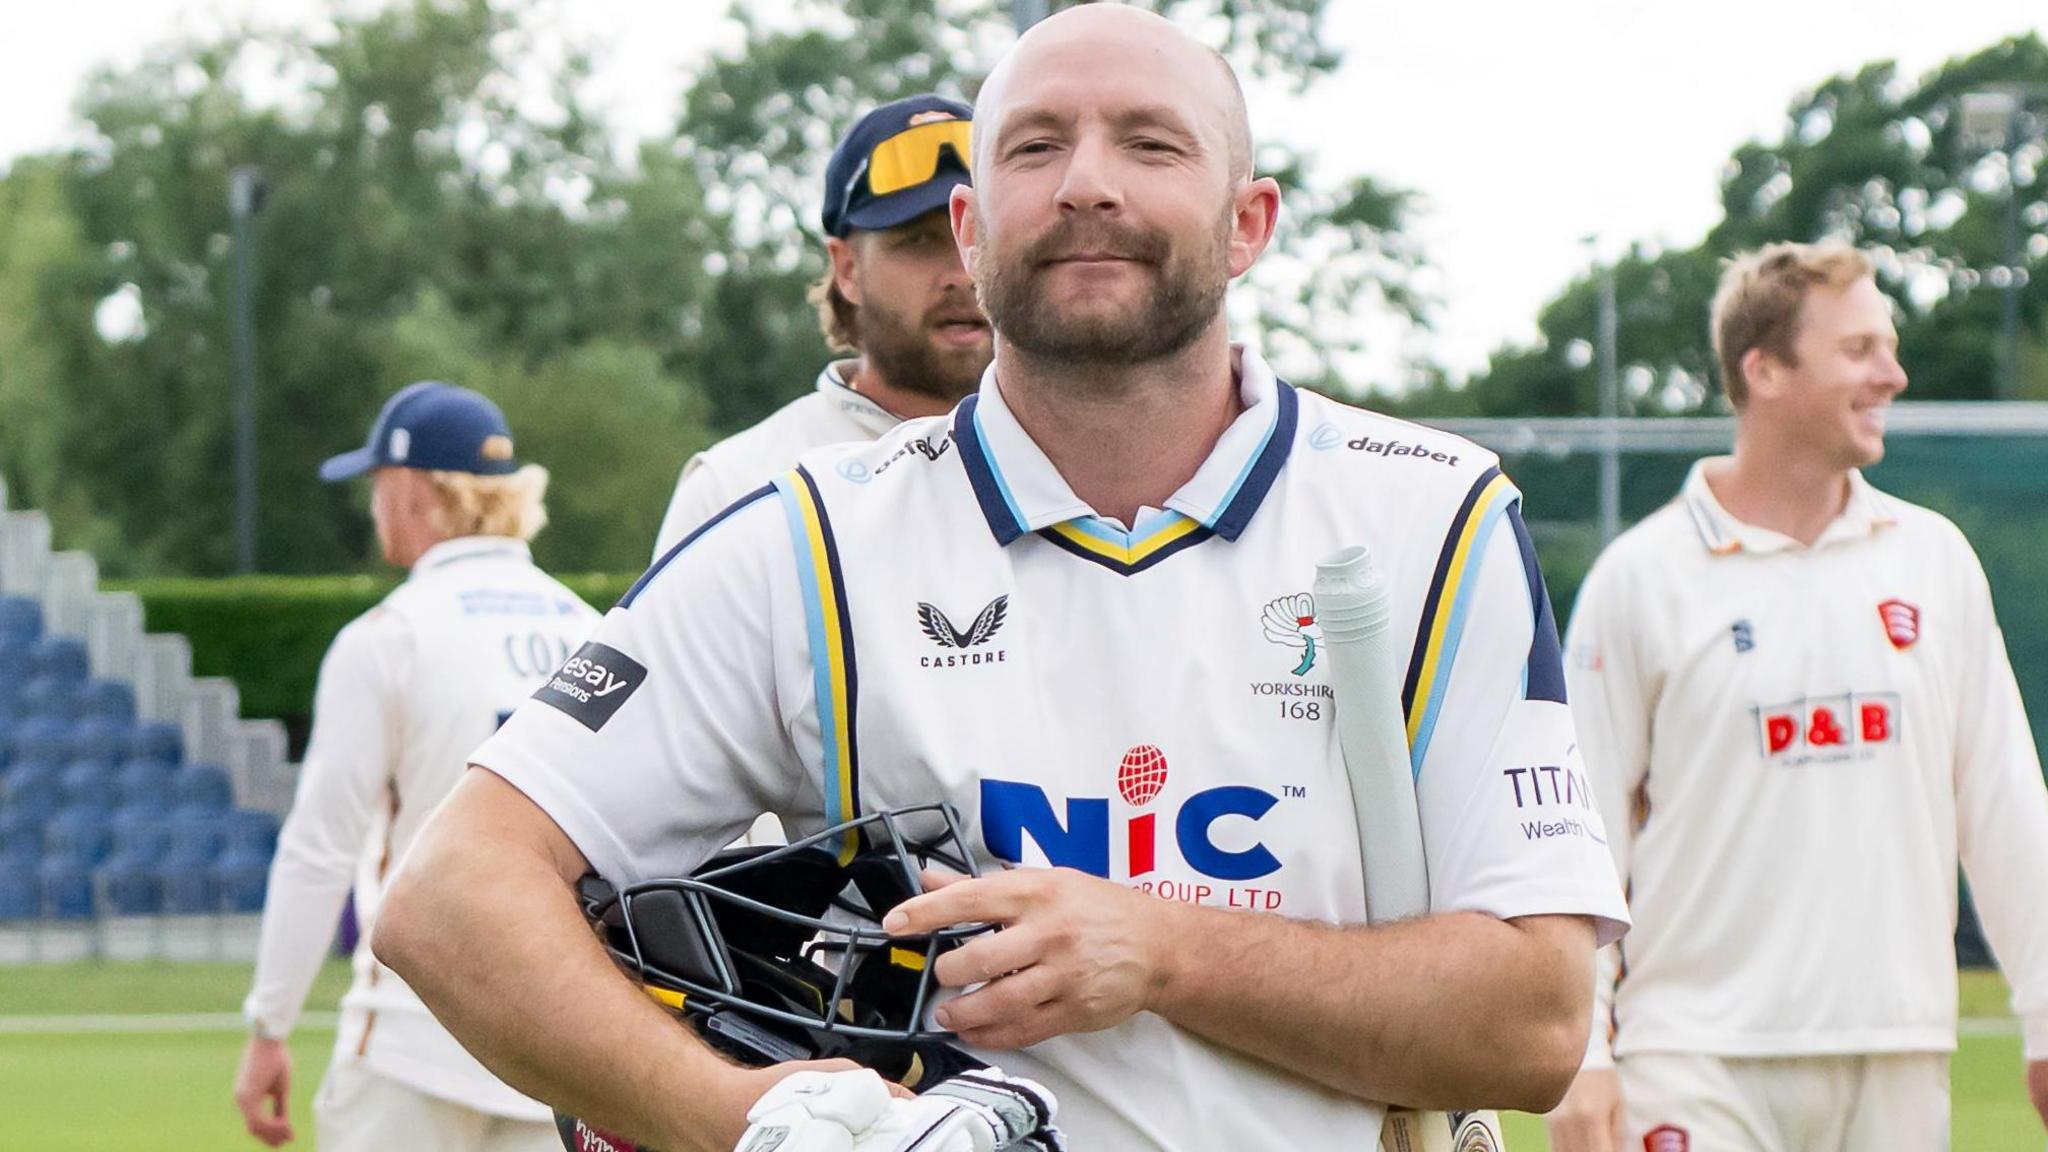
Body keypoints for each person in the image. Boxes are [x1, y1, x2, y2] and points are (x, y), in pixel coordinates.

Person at [376, 7, 1627, 1151]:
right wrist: (746, 1117)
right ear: (972, 235)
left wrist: (1160, 951)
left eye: (1149, 144)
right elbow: (450, 897)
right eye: (1033, 149)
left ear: (1249, 223)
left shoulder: (1432, 511)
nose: (1086, 183)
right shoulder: (806, 536)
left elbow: (1526, 1028)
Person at [1545, 242, 2048, 1152]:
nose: (1892, 375)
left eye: (1888, 347)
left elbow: (2007, 803)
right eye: (1859, 351)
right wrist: (1582, 1050)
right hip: (1695, 1062)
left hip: (1899, 1057)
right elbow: (1579, 840)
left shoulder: (1934, 560)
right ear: (1765, 368)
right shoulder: (1642, 578)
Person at [233, 382, 599, 1152]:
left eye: (377, 485)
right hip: (565, 1050)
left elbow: (320, 846)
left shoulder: (388, 634)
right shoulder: (592, 629)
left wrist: (270, 1025)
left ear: (412, 490)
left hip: (411, 1041)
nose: (373, 505)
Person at [652, 93, 991, 557]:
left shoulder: (1087, 468)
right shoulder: (737, 487)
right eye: (918, 241)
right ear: (848, 268)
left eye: (978, 236)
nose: (961, 273)